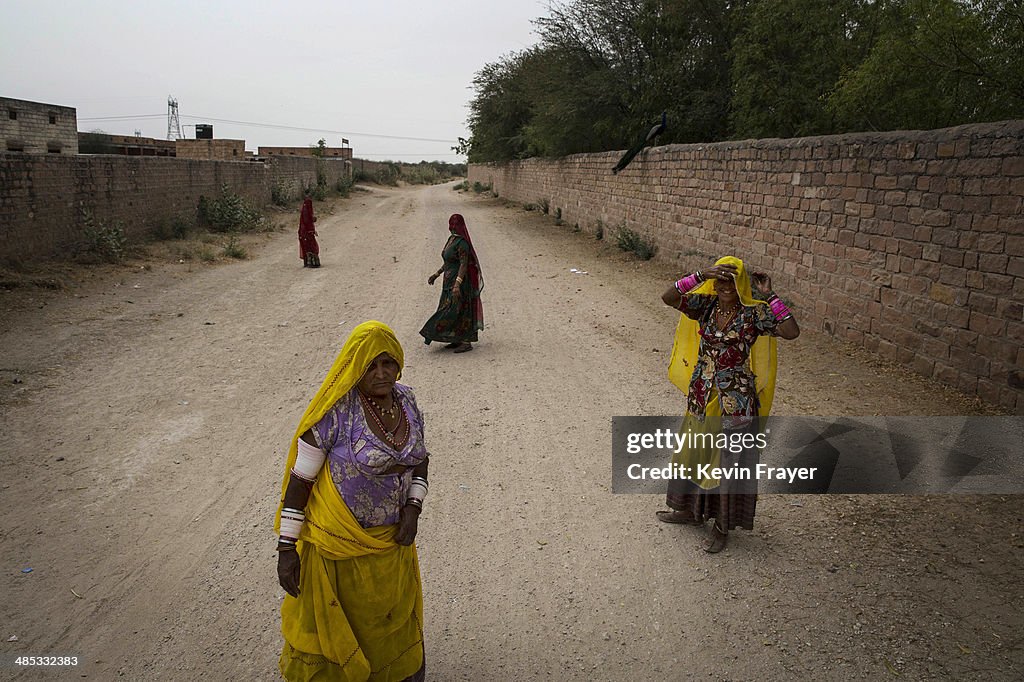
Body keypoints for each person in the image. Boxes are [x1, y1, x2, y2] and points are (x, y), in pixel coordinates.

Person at [275, 321, 429, 681]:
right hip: (338, 550)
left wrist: (413, 507)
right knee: (344, 633)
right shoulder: (336, 413)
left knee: (389, 625)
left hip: (392, 546)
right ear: (354, 367)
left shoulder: (406, 401)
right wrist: (287, 549)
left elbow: (420, 457)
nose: (381, 373)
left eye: (388, 363)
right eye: (370, 365)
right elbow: (300, 483)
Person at [656, 256, 799, 553]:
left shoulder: (753, 314)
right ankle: (688, 512)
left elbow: (790, 331)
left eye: (731, 280)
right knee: (693, 453)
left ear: (741, 284)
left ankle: (722, 526)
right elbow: (669, 297)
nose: (724, 286)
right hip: (702, 393)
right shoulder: (705, 307)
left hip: (736, 400)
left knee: (726, 465)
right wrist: (698, 275)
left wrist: (770, 295)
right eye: (720, 279)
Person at [419, 213, 484, 353]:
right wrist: (436, 274)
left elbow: (463, 265)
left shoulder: (462, 243)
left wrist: (457, 284)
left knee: (459, 310)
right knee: (450, 309)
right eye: (451, 224)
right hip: (447, 283)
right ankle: (455, 339)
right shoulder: (451, 240)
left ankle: (466, 342)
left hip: (459, 284)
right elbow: (448, 262)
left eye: (456, 224)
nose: (453, 227)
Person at [298, 192, 320, 268]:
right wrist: (312, 230)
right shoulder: (306, 212)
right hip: (306, 232)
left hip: (303, 232)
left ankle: (308, 262)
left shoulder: (305, 210)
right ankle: (312, 262)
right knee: (311, 245)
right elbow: (307, 221)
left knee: (307, 246)